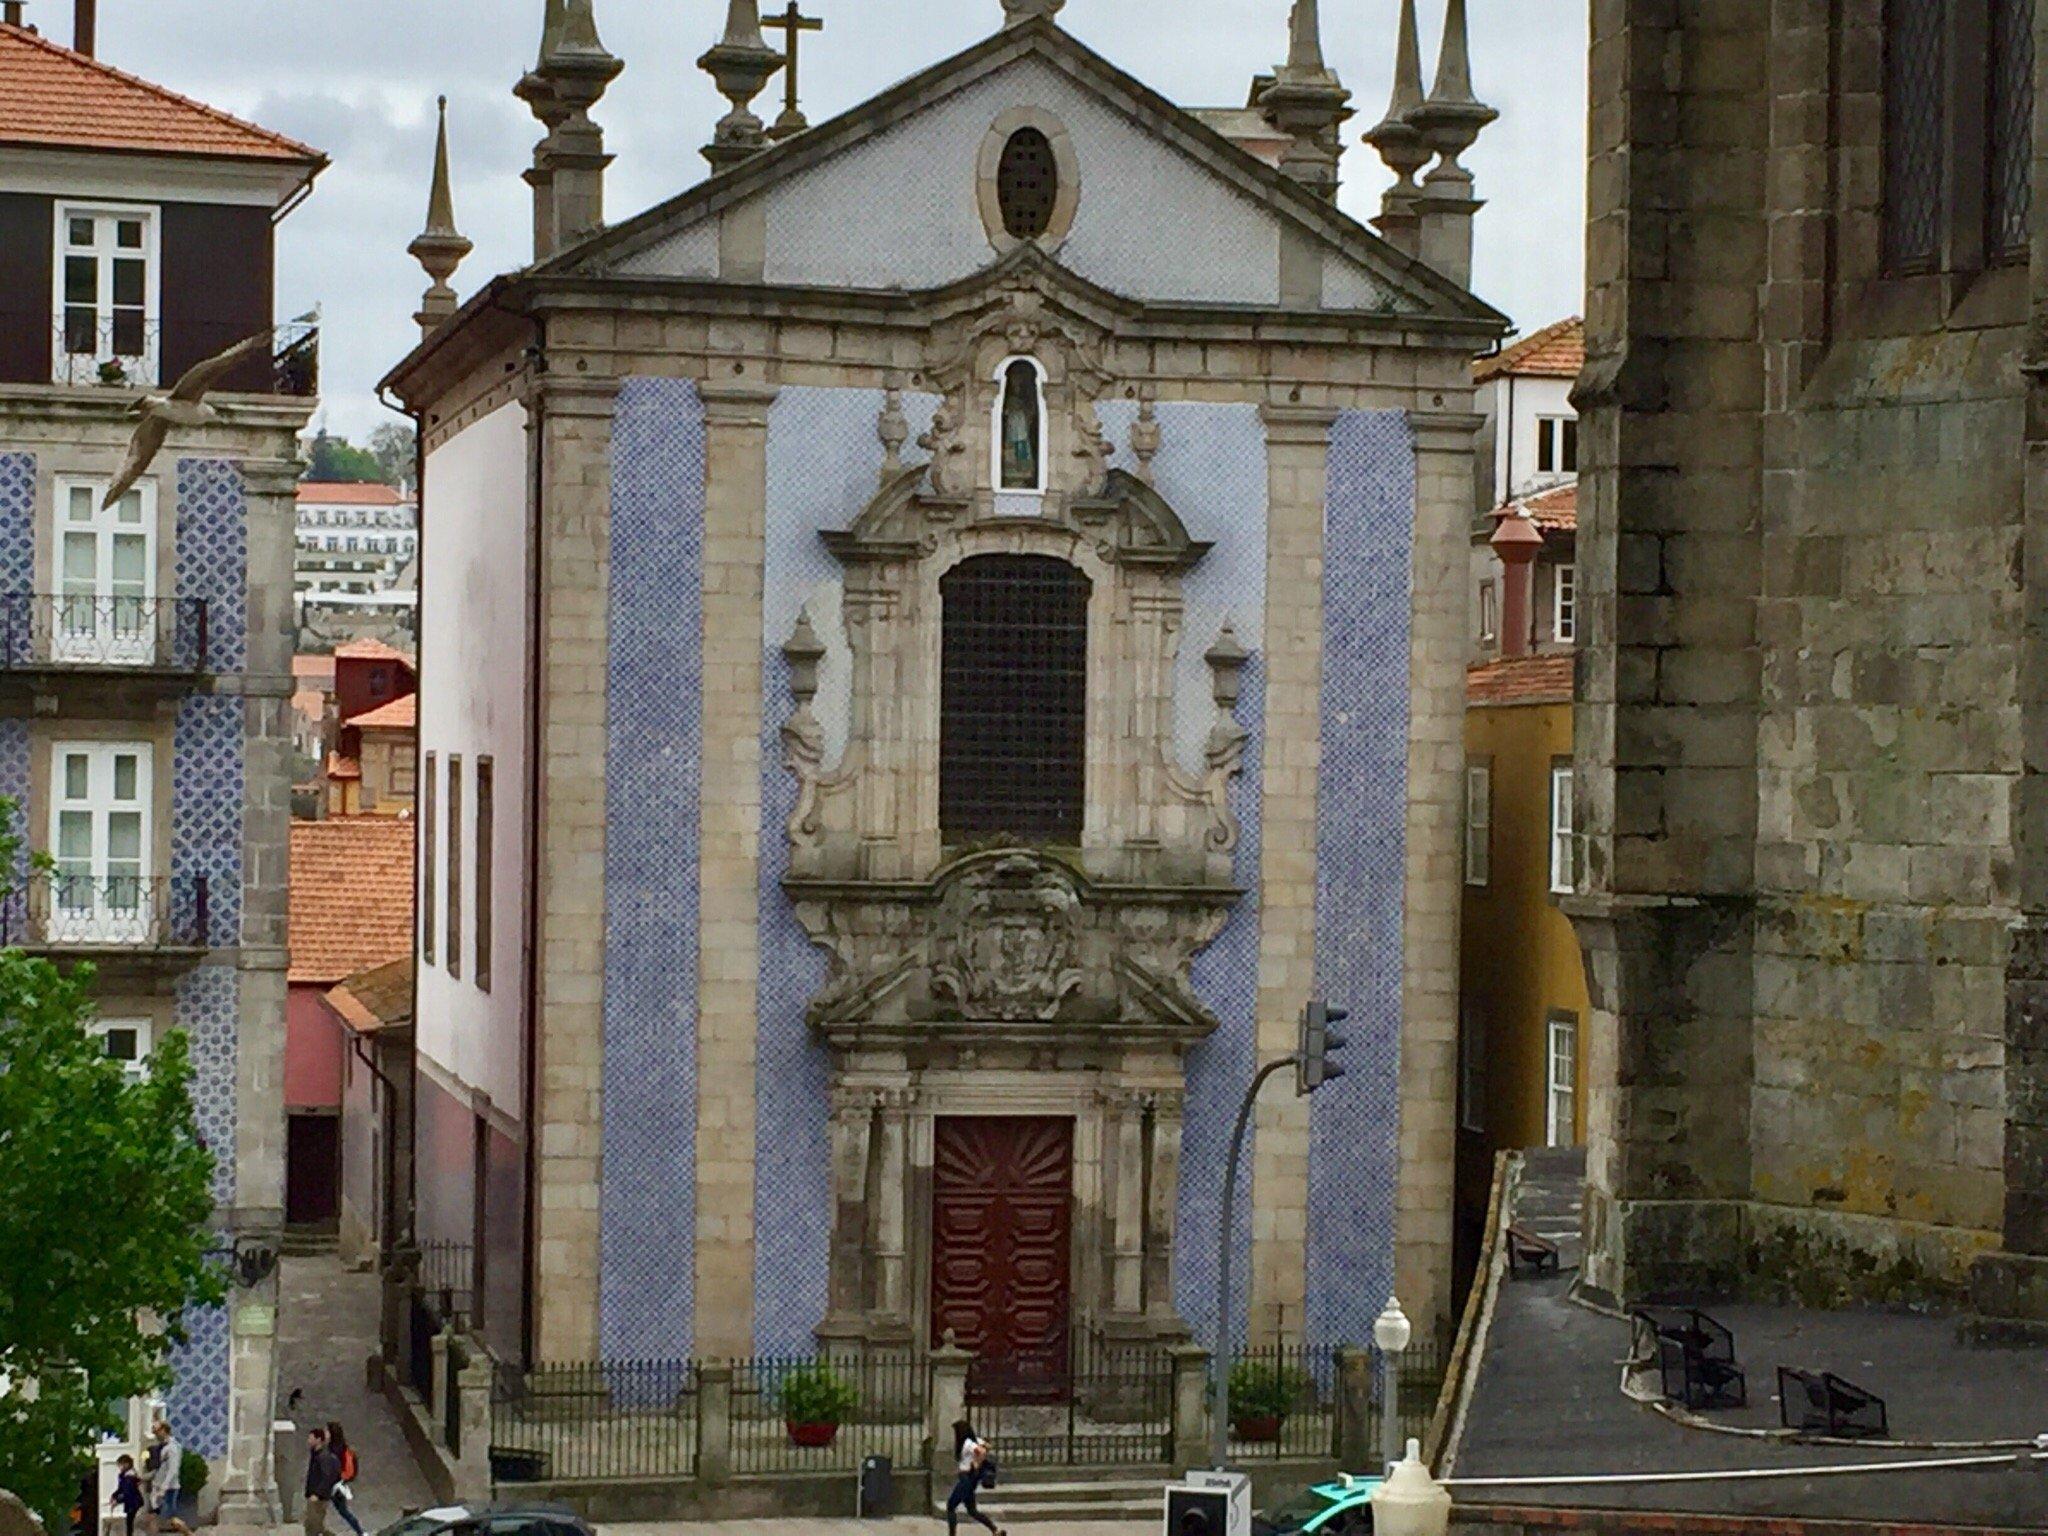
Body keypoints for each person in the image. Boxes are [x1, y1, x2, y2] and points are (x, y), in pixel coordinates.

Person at [944, 1419, 1003, 1536]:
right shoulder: (974, 1440)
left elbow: (981, 1451)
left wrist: (976, 1463)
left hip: (966, 1478)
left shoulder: (967, 1443)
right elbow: (987, 1446)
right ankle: (995, 1530)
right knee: (972, 1510)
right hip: (970, 1480)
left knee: (951, 1506)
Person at [142, 1420, 191, 1536]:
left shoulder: (173, 1448)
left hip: (168, 1489)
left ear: (164, 1430)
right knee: (152, 1517)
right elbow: (159, 1469)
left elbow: (173, 1470)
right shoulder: (162, 1447)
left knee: (171, 1519)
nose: (155, 1434)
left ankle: (190, 1534)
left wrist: (164, 1488)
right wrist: (144, 1478)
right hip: (158, 1487)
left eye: (157, 1431)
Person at [324, 1422, 365, 1536]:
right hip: (334, 1484)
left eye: (327, 1431)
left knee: (342, 1510)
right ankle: (360, 1531)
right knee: (341, 1510)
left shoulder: (336, 1450)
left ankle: (360, 1531)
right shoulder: (338, 1447)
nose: (325, 1434)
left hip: (334, 1485)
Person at [302, 1427, 340, 1536]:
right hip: (313, 1496)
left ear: (318, 1440)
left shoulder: (323, 1457)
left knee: (314, 1527)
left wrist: (317, 1494)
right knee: (313, 1526)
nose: (309, 1441)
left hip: (318, 1498)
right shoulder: (316, 1455)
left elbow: (326, 1477)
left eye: (311, 1438)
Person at [109, 1454, 145, 1536]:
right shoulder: (124, 1476)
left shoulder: (129, 1477)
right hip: (131, 1501)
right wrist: (114, 1495)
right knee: (129, 1521)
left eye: (120, 1465)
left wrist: (117, 1501)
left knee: (130, 1521)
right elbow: (121, 1488)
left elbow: (127, 1493)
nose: (119, 1467)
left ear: (127, 1464)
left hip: (133, 1501)